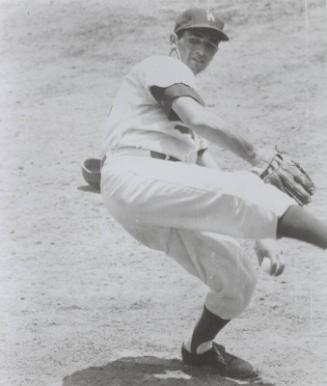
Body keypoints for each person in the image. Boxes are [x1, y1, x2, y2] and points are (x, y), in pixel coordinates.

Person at [100, 7, 327, 380]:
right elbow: (198, 120)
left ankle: (198, 350)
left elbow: (211, 178)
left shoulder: (182, 94)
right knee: (250, 185)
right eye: (194, 39)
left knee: (237, 278)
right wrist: (255, 155)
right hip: (137, 176)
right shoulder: (161, 65)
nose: (202, 50)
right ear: (173, 41)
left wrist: (259, 234)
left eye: (211, 44)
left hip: (156, 195)